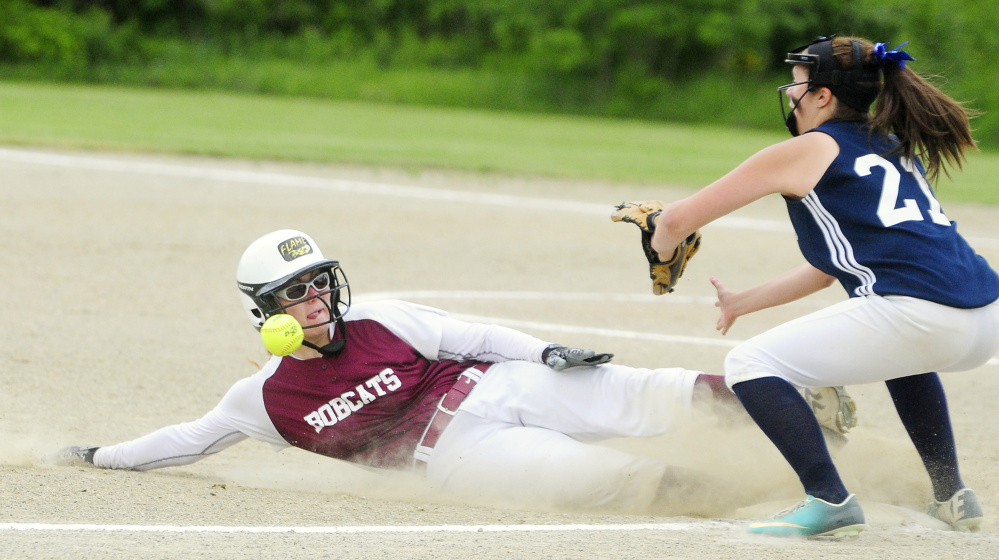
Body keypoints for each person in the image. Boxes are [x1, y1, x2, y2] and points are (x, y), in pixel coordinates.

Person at [56, 229, 852, 515]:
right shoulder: (262, 399)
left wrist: (545, 354)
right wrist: (100, 457)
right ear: (262, 311)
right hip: (457, 458)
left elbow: (473, 333)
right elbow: (187, 441)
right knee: (609, 479)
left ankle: (796, 409)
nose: (316, 301)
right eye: (294, 294)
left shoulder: (384, 316)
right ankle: (776, 492)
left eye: (319, 282)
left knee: (641, 389)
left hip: (494, 383)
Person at [648, 36, 999, 537]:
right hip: (984, 316)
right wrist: (745, 301)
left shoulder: (808, 148)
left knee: (749, 365)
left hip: (921, 315)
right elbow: (835, 266)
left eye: (798, 82)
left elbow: (676, 221)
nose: (791, 93)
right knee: (904, 357)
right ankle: (952, 496)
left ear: (823, 96)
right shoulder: (889, 143)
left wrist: (661, 251)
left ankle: (827, 498)